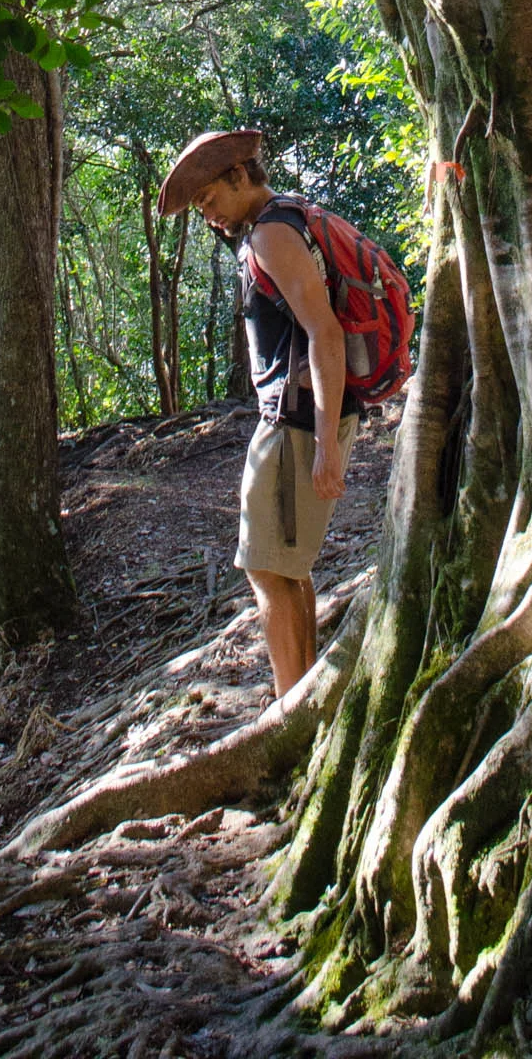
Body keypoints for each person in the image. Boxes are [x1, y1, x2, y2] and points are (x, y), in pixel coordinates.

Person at [157, 129, 361, 700]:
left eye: (210, 199)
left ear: (240, 176)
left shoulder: (273, 234)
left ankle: (290, 706)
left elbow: (325, 331)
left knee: (266, 570)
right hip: (300, 419)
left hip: (296, 423)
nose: (208, 214)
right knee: (287, 568)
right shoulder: (282, 221)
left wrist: (325, 443)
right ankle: (303, 696)